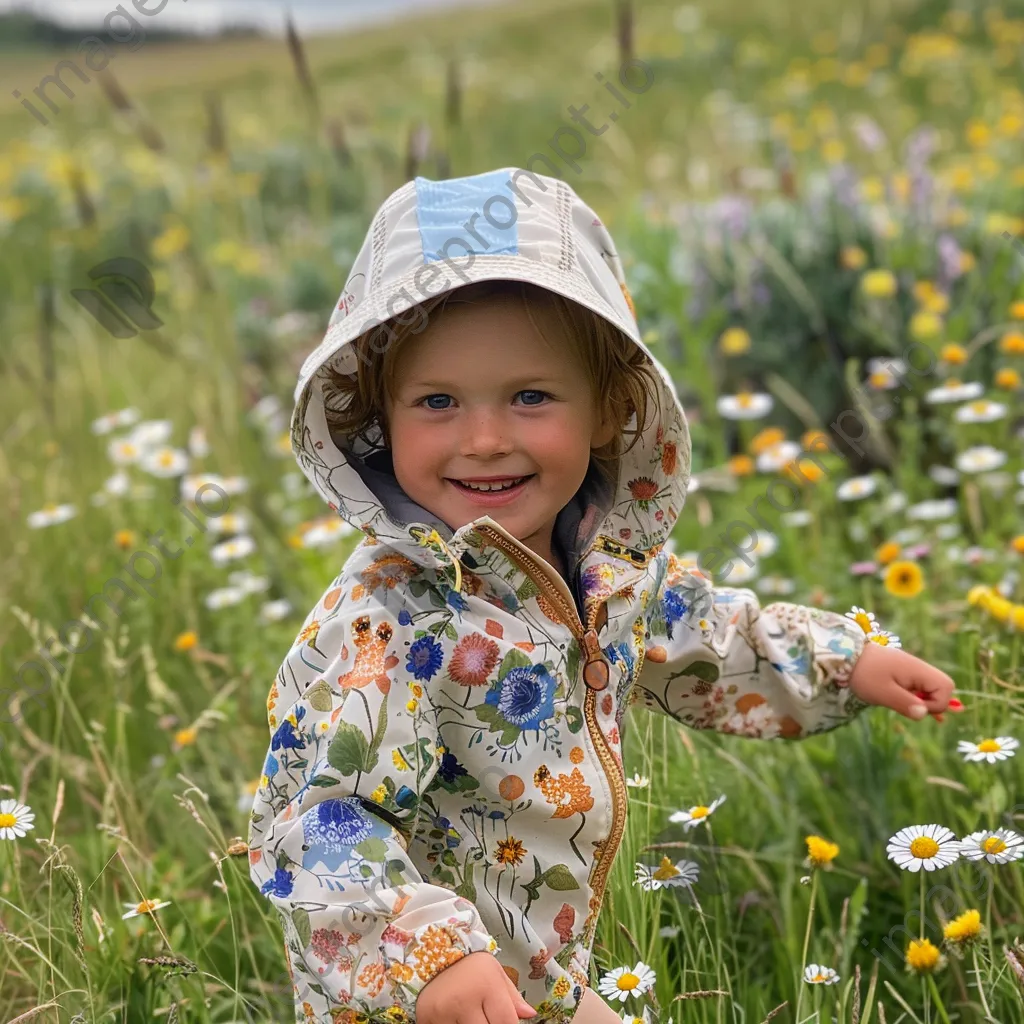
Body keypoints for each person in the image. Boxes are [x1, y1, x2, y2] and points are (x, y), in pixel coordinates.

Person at [248, 167, 960, 1024]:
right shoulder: (390, 620)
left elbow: (706, 639)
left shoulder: (601, 569)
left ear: (610, 411)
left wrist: (847, 663)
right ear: (378, 417)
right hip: (418, 990)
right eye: (437, 400)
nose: (482, 439)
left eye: (530, 397)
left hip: (538, 978)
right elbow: (316, 817)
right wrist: (431, 958)